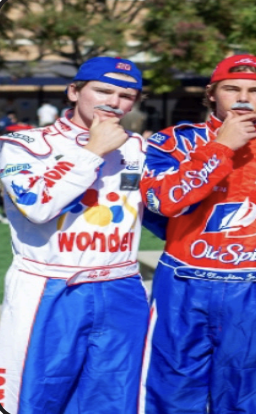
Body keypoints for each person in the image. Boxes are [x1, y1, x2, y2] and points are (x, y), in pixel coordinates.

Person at [139, 54, 256, 414]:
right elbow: (165, 202)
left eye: (255, 90)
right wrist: (222, 147)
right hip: (183, 283)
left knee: (250, 393)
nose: (243, 97)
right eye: (232, 88)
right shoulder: (172, 142)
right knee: (172, 391)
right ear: (212, 94)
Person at [0, 57, 148, 414]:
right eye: (103, 90)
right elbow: (37, 206)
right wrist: (92, 150)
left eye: (126, 95)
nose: (114, 102)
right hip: (48, 287)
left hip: (121, 286)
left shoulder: (142, 149)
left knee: (114, 400)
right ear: (74, 91)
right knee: (32, 400)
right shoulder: (23, 144)